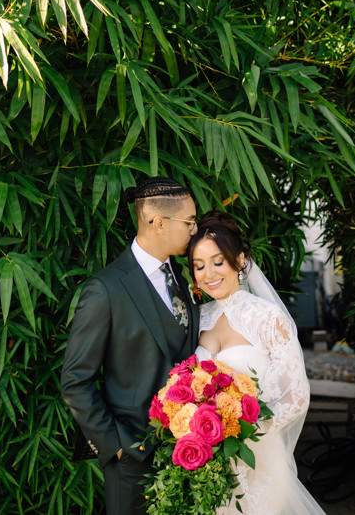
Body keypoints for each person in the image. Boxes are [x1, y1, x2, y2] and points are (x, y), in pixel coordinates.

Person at [61, 177, 201, 515]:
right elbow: (75, 380)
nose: (195, 230)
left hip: (191, 453)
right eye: (189, 222)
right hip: (132, 458)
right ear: (158, 223)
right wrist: (117, 446)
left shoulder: (184, 278)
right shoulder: (105, 290)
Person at [189, 211, 325, 515]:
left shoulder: (266, 317)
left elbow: (297, 395)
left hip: (257, 462)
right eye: (198, 266)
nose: (208, 274)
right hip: (205, 462)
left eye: (217, 262)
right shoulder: (198, 319)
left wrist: (242, 433)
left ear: (238, 261)